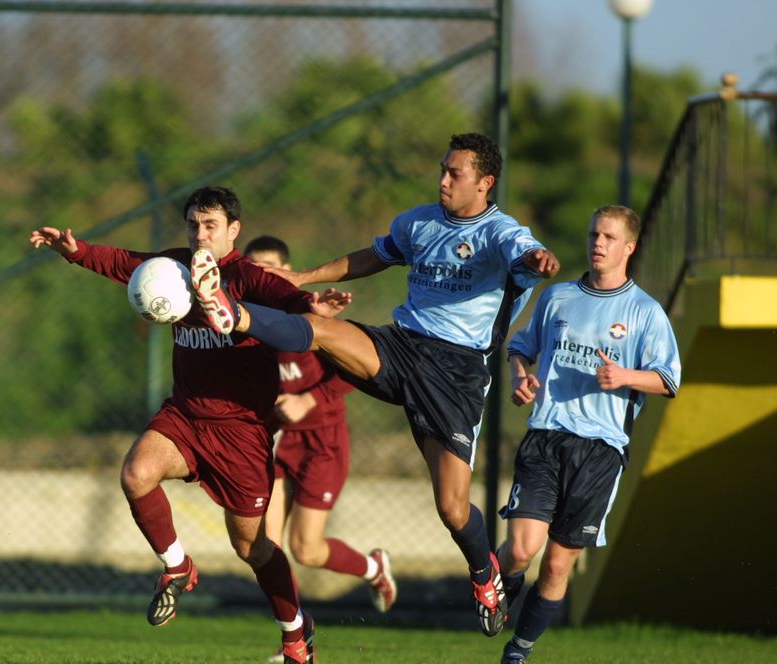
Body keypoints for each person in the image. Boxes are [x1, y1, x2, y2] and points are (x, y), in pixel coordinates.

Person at [191, 133, 561, 637]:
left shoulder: (501, 233)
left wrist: (540, 259)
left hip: (455, 375)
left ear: (485, 182)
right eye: (442, 169)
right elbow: (373, 257)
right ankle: (234, 315)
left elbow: (526, 250)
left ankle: (483, 573)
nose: (443, 180)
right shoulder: (419, 221)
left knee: (452, 510)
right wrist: (302, 278)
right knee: (320, 331)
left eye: (455, 173)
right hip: (401, 345)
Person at [29, 187, 343, 664]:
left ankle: (294, 630)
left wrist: (314, 303)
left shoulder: (248, 277)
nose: (200, 235)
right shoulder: (175, 267)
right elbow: (125, 263)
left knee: (253, 548)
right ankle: (178, 568)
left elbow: (288, 299)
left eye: (211, 225)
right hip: (185, 417)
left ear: (233, 229)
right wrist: (77, 251)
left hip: (241, 432)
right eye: (194, 225)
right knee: (136, 474)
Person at [495, 205, 680, 664]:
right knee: (520, 549)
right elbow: (520, 347)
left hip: (600, 451)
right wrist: (522, 377)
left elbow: (668, 379)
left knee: (557, 566)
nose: (598, 243)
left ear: (629, 248)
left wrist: (625, 377)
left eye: (610, 237)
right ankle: (495, 588)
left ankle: (518, 649)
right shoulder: (557, 298)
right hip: (547, 436)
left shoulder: (644, 312)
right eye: (594, 233)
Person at [244, 235, 396, 664]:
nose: (262, 276)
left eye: (271, 268)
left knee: (306, 549)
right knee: (264, 547)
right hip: (275, 443)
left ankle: (372, 569)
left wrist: (307, 400)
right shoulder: (242, 319)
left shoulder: (307, 313)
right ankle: (293, 632)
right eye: (255, 269)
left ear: (286, 272)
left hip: (321, 444)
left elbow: (358, 368)